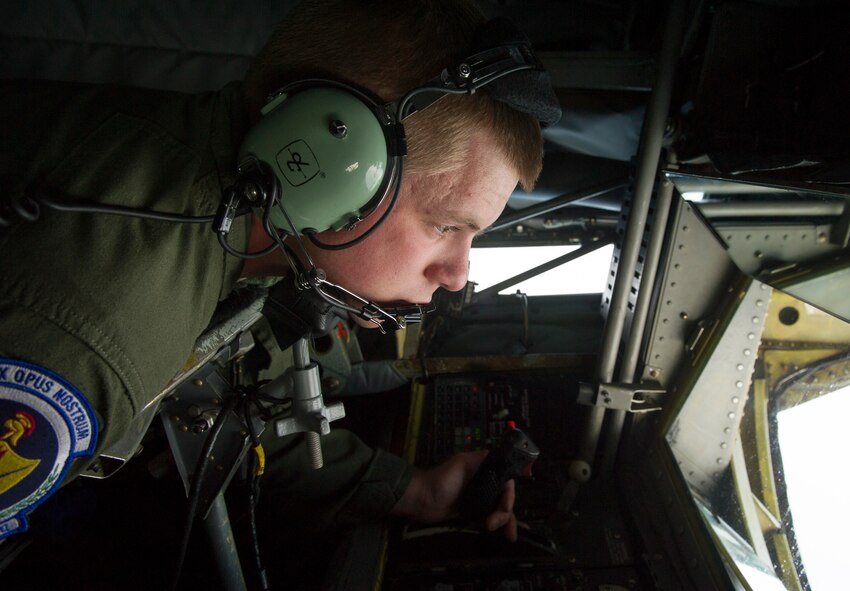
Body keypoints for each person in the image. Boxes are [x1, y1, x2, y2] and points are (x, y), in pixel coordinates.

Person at [0, 0, 558, 557]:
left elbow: (235, 387)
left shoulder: (237, 217)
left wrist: (417, 491)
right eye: (445, 225)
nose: (458, 275)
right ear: (326, 158)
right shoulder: (95, 340)